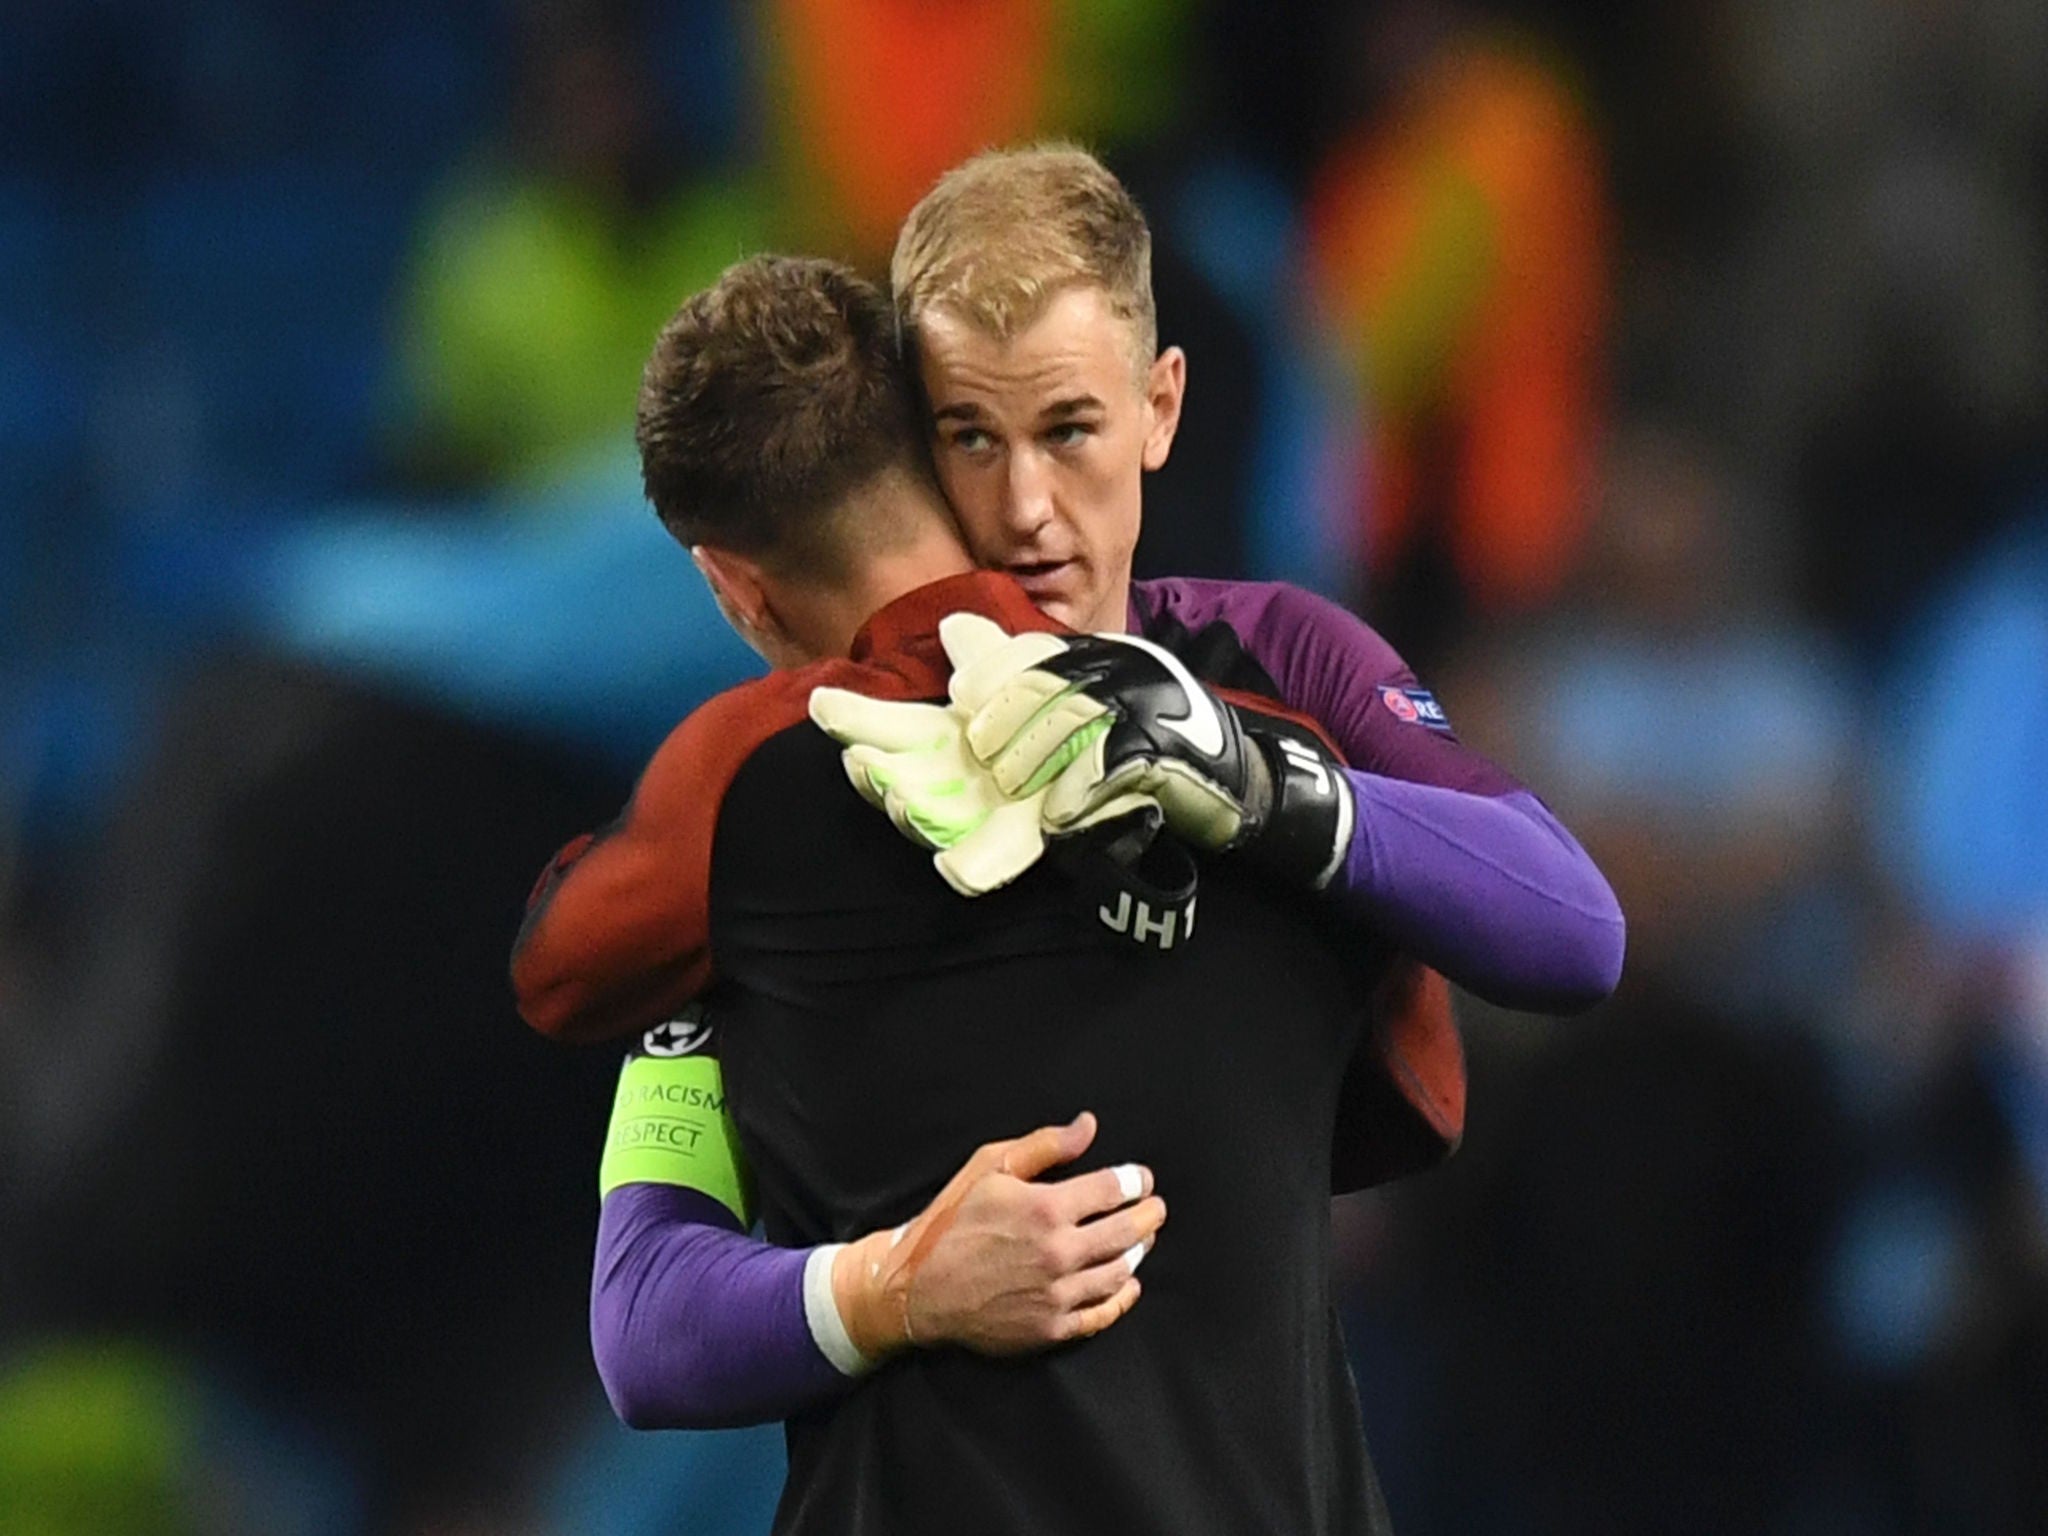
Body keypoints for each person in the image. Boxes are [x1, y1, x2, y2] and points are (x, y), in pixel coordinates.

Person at [514, 244, 1619, 1530]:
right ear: (937, 452)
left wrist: (879, 1288)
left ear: (727, 584)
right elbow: (1487, 1006)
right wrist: (901, 1286)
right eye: (993, 438)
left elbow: (569, 1007)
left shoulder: (726, 835)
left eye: (1068, 428)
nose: (1035, 504)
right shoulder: (1271, 712)